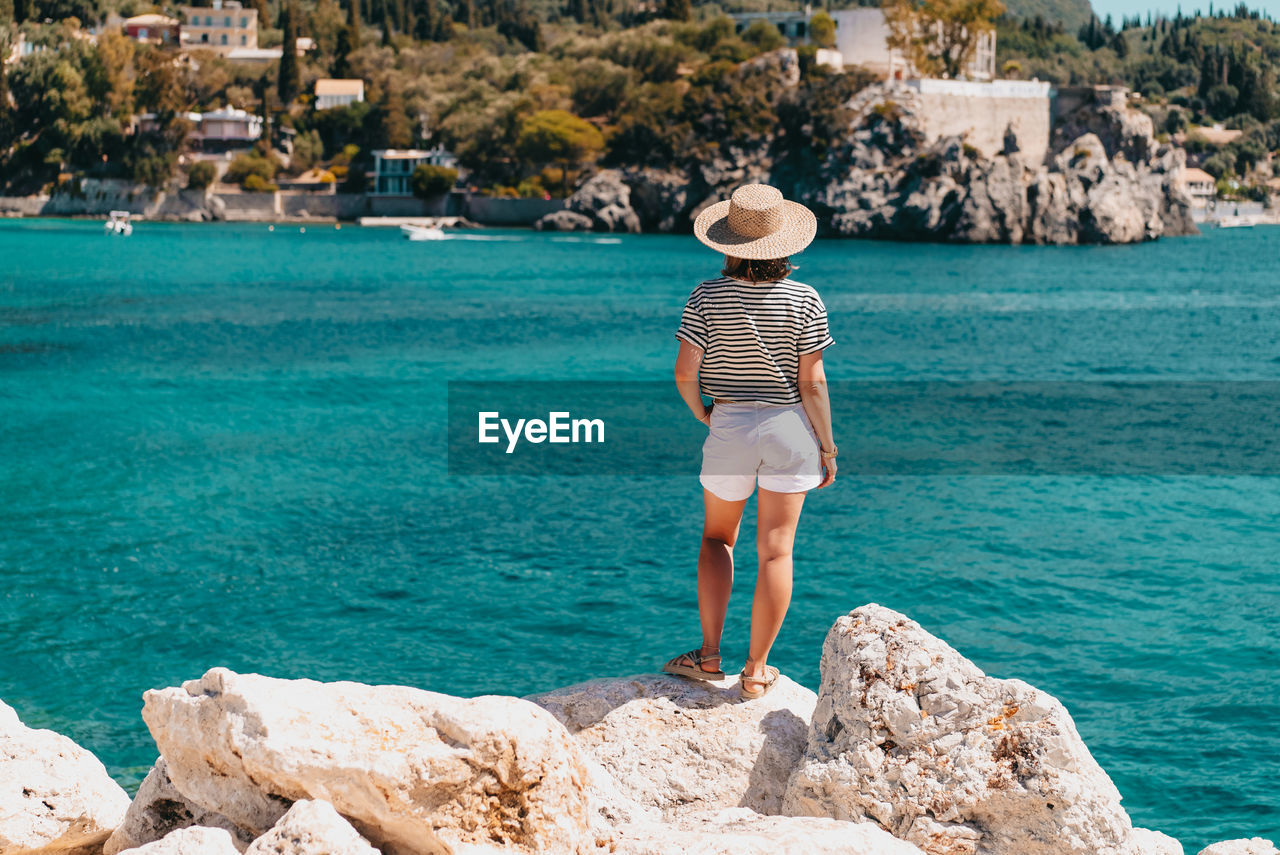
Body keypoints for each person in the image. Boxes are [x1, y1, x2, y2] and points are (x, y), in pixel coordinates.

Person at [663, 183, 838, 701]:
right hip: (789, 428)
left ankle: (709, 655)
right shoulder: (805, 299)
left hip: (730, 425)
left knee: (718, 539)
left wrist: (705, 414)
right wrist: (827, 448)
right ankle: (757, 672)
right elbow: (813, 383)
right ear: (784, 243)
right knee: (776, 552)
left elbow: (683, 374)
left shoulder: (705, 296)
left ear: (727, 242)